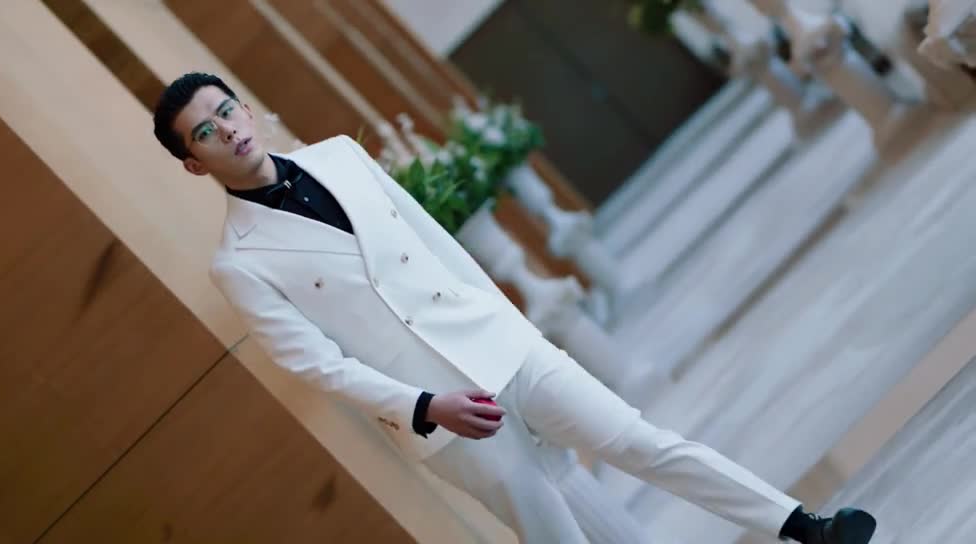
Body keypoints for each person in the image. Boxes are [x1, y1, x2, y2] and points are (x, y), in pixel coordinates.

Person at [153, 72, 876, 543]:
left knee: (639, 441)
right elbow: (318, 365)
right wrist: (424, 406)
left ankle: (801, 525)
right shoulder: (238, 262)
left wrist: (513, 326)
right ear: (192, 163)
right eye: (205, 132)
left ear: (248, 108)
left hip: (504, 347)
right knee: (560, 534)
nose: (228, 129)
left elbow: (439, 244)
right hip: (444, 418)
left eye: (226, 110)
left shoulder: (341, 154)